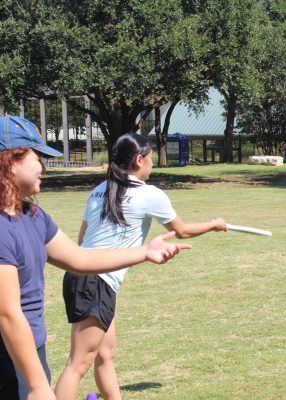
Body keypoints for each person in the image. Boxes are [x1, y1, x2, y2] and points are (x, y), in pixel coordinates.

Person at [0, 116, 190, 400]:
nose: (43, 166)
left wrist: (144, 252)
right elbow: (7, 313)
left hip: (30, 347)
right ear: (11, 160)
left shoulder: (32, 216)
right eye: (37, 157)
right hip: (8, 352)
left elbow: (79, 258)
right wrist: (38, 385)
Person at [54, 133, 228, 400]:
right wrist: (214, 225)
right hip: (96, 282)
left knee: (106, 354)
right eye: (150, 159)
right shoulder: (149, 194)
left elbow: (82, 241)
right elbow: (181, 231)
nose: (152, 164)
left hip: (82, 276)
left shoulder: (98, 191)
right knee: (78, 364)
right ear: (138, 160)